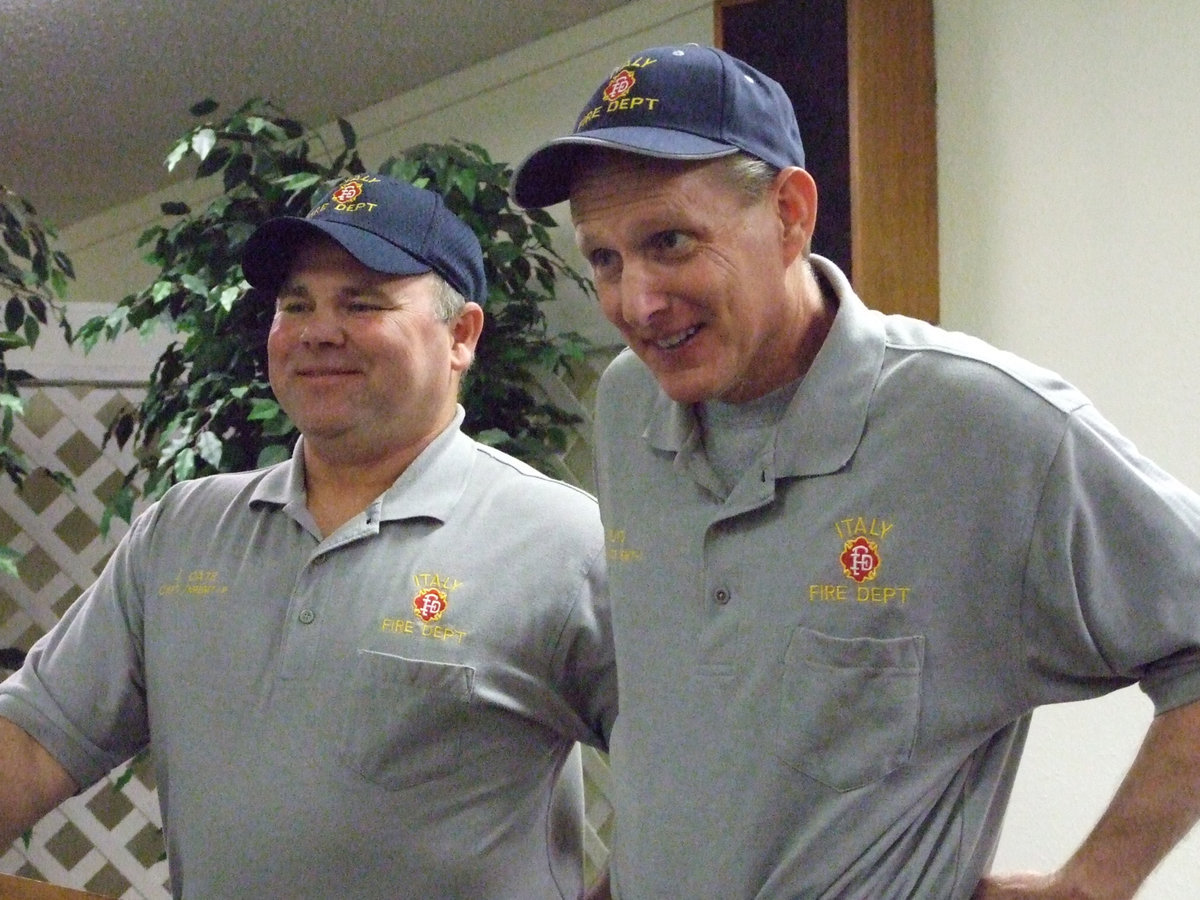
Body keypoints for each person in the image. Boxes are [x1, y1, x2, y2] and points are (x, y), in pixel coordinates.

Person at [510, 43, 1200, 899]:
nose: (636, 304)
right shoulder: (627, 404)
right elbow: (688, 717)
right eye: (604, 259)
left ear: (791, 215)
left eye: (671, 242)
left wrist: (1094, 882)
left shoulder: (980, 422)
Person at [0, 173, 616, 899]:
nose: (319, 330)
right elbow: (35, 741)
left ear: (461, 335)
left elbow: (693, 792)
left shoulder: (562, 539)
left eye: (362, 302)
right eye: (297, 304)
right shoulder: (181, 533)